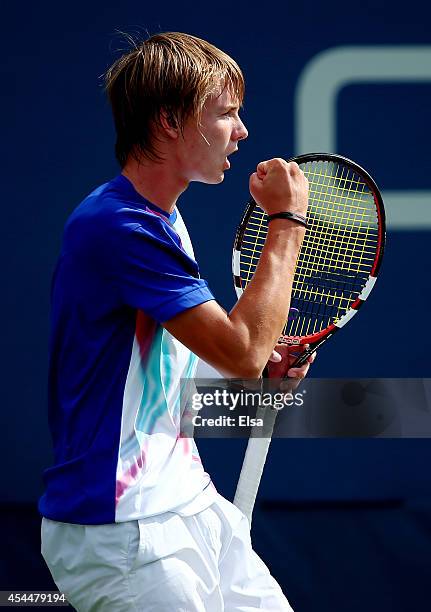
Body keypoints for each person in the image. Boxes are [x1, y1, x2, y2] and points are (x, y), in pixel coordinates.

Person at [39, 32, 313, 611]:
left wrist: (256, 382)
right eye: (226, 113)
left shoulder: (162, 220)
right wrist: (286, 222)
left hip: (190, 503)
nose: (241, 131)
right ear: (168, 121)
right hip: (123, 530)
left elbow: (168, 393)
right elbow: (239, 350)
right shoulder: (122, 228)